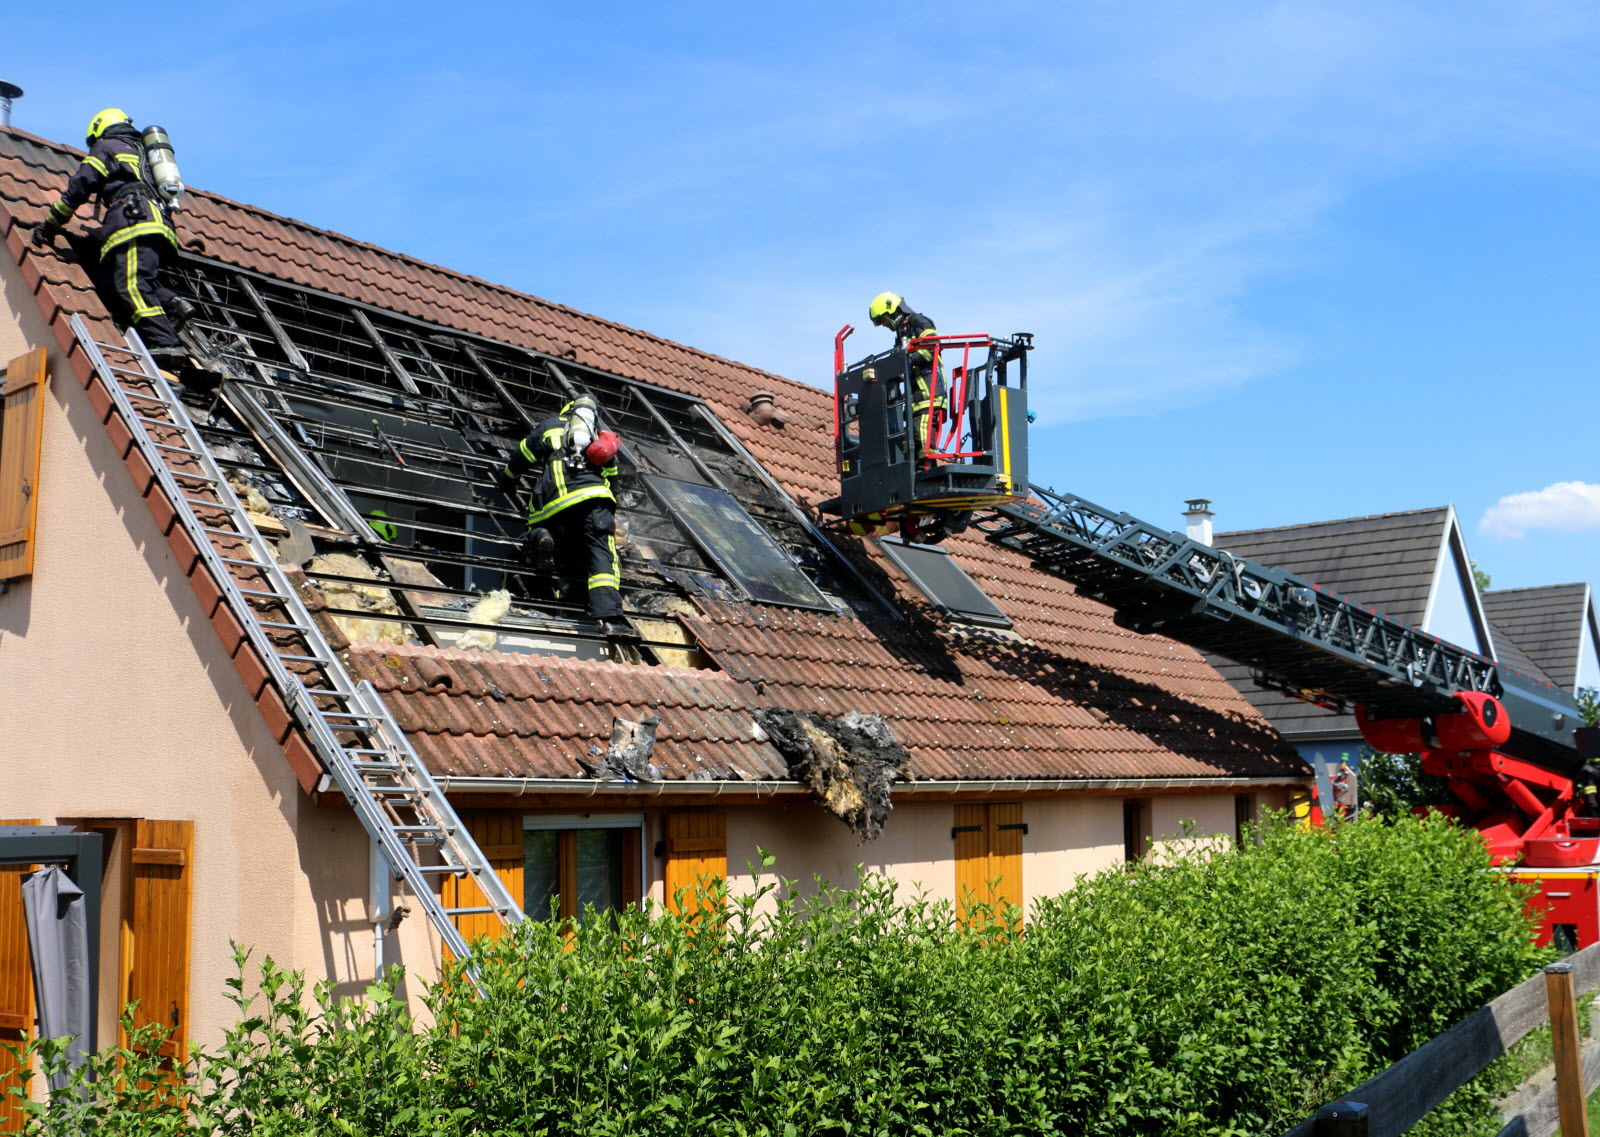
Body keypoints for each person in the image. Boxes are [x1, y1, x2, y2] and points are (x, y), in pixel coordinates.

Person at [32, 108, 194, 369]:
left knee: (131, 283)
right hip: (159, 222)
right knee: (119, 279)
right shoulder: (143, 152)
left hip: (133, 220)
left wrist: (50, 225)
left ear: (98, 131)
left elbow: (79, 187)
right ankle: (172, 304)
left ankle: (166, 343)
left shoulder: (106, 146)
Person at [496, 394, 630, 634]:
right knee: (601, 556)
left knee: (540, 534)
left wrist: (507, 480)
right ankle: (610, 618)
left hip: (552, 503)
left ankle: (539, 535)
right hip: (593, 502)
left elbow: (521, 457)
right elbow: (614, 480)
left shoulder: (549, 426)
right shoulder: (599, 437)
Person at [867, 292, 947, 464]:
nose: (884, 325)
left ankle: (926, 467)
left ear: (891, 311)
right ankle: (920, 465)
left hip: (929, 388)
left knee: (922, 430)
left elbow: (932, 347)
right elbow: (898, 360)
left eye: (883, 320)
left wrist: (907, 360)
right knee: (913, 433)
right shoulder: (902, 332)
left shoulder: (918, 322)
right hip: (917, 392)